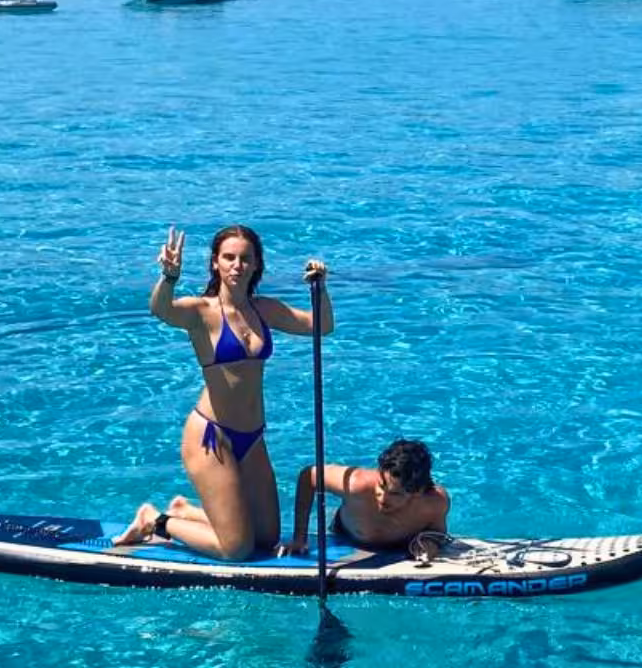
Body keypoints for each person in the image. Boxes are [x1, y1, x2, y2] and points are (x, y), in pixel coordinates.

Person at [113, 226, 332, 560]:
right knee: (236, 549)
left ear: (257, 264)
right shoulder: (202, 312)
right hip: (211, 437)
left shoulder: (264, 309)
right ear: (215, 263)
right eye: (228, 257)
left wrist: (320, 287)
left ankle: (185, 509)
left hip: (253, 438)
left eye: (245, 258)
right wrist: (169, 277)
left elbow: (321, 326)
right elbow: (161, 309)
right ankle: (155, 521)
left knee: (266, 537)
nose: (237, 265)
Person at [282, 439, 451, 560]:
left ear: (418, 492)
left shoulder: (434, 503)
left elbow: (437, 533)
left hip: (401, 544)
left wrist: (430, 543)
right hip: (346, 534)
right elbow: (309, 476)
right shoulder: (356, 484)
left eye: (395, 494)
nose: (382, 497)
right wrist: (299, 537)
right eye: (381, 485)